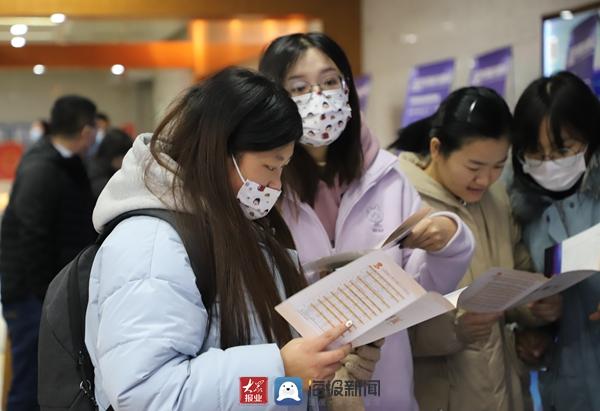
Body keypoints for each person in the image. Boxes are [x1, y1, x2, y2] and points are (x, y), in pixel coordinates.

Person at [85, 67, 353, 410]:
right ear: (219, 153)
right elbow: (147, 394)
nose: (276, 185)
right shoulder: (151, 245)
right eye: (270, 167)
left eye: (282, 168)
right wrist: (278, 371)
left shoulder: (233, 223)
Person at [259, 32, 475, 411]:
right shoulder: (263, 186)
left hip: (385, 386)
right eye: (299, 88)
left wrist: (448, 241)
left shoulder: (387, 176)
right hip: (297, 389)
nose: (318, 98)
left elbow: (419, 288)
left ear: (347, 89)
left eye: (329, 82)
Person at [394, 86, 562, 411]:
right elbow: (383, 325)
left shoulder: (496, 198)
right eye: (474, 167)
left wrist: (537, 308)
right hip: (438, 395)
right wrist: (453, 330)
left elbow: (517, 272)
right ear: (437, 148)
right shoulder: (401, 202)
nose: (485, 180)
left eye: (498, 166)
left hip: (506, 391)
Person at [507, 71, 600, 411]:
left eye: (562, 149)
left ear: (590, 138)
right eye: (536, 152)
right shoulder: (520, 213)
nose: (549, 163)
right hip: (567, 388)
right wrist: (535, 328)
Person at [0, 95, 98, 411]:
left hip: (46, 291)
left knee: (44, 377)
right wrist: (47, 295)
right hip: (31, 295)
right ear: (86, 131)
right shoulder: (41, 169)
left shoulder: (66, 163)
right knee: (28, 382)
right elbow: (33, 237)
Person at [87, 127, 133, 199]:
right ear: (114, 156)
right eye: (124, 156)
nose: (126, 161)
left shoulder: (96, 165)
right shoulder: (100, 181)